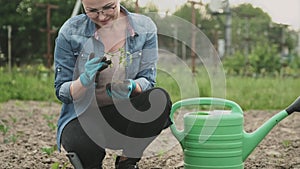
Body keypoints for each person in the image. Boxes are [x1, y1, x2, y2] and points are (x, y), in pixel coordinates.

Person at [54, 0, 172, 168]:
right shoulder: (70, 31)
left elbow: (148, 80)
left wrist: (132, 87)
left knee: (159, 99)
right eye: (92, 11)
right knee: (82, 145)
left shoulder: (144, 28)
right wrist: (84, 81)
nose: (101, 17)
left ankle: (127, 162)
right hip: (84, 115)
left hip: (124, 115)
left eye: (108, 7)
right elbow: (62, 91)